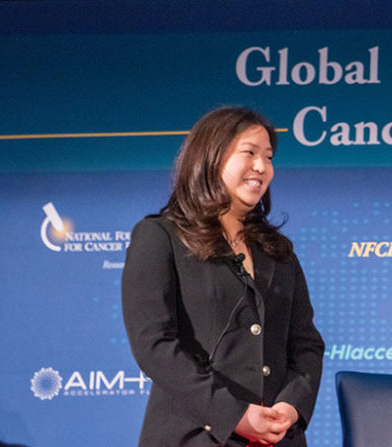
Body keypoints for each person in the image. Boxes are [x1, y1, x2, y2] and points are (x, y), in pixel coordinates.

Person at [122, 106, 325, 446]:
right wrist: (234, 415)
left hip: (277, 438)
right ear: (211, 156)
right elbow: (153, 344)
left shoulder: (278, 251)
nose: (261, 167)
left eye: (268, 157)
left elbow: (306, 343)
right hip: (194, 436)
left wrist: (291, 407)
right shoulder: (160, 237)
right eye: (250, 153)